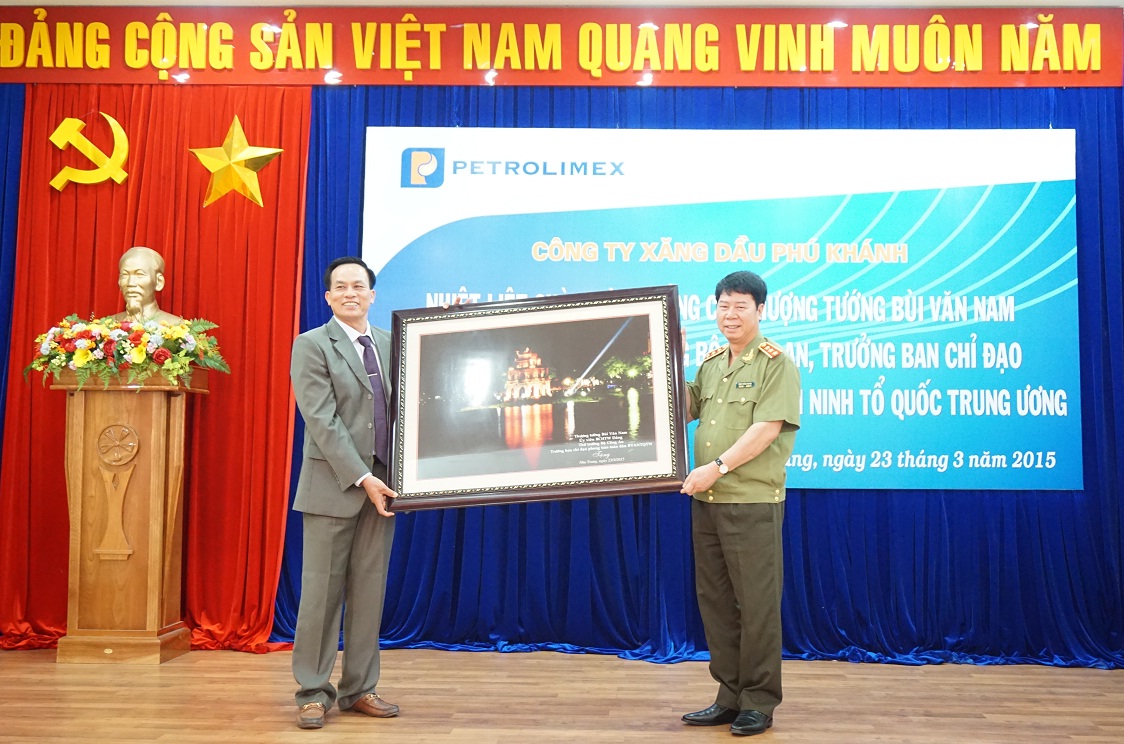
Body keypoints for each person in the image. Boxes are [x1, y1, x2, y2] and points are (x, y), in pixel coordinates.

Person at [679, 271, 801, 737]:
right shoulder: (712, 363)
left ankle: (759, 701)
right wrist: (668, 358)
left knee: (756, 606)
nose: (730, 315)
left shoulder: (776, 364)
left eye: (740, 306)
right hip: (706, 500)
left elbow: (767, 428)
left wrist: (718, 467)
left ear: (760, 310)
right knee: (715, 603)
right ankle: (728, 696)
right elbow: (682, 409)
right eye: (723, 305)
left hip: (750, 501)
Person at [290, 256, 399, 730]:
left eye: (358, 285)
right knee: (320, 595)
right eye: (341, 286)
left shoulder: (393, 344)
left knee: (369, 593)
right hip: (335, 486)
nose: (350, 293)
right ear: (328, 297)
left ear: (372, 295)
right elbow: (321, 419)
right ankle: (313, 692)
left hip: (385, 488)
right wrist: (362, 476)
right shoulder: (311, 344)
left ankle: (360, 689)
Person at [113, 246, 183, 324]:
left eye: (139, 274)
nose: (130, 283)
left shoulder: (177, 325)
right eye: (125, 275)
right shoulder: (106, 326)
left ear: (159, 282)